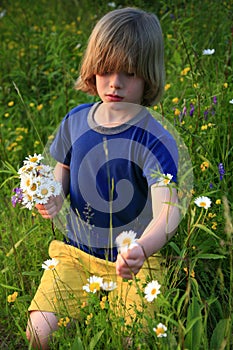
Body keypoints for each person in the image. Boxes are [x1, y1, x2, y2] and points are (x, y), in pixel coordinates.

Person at [26, 7, 180, 349]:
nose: (115, 83)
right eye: (106, 69)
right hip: (76, 253)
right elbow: (62, 171)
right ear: (92, 67)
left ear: (148, 77)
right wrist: (54, 195)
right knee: (39, 333)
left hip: (137, 260)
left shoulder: (154, 137)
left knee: (134, 339)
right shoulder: (76, 121)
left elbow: (169, 210)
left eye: (129, 73)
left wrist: (142, 248)